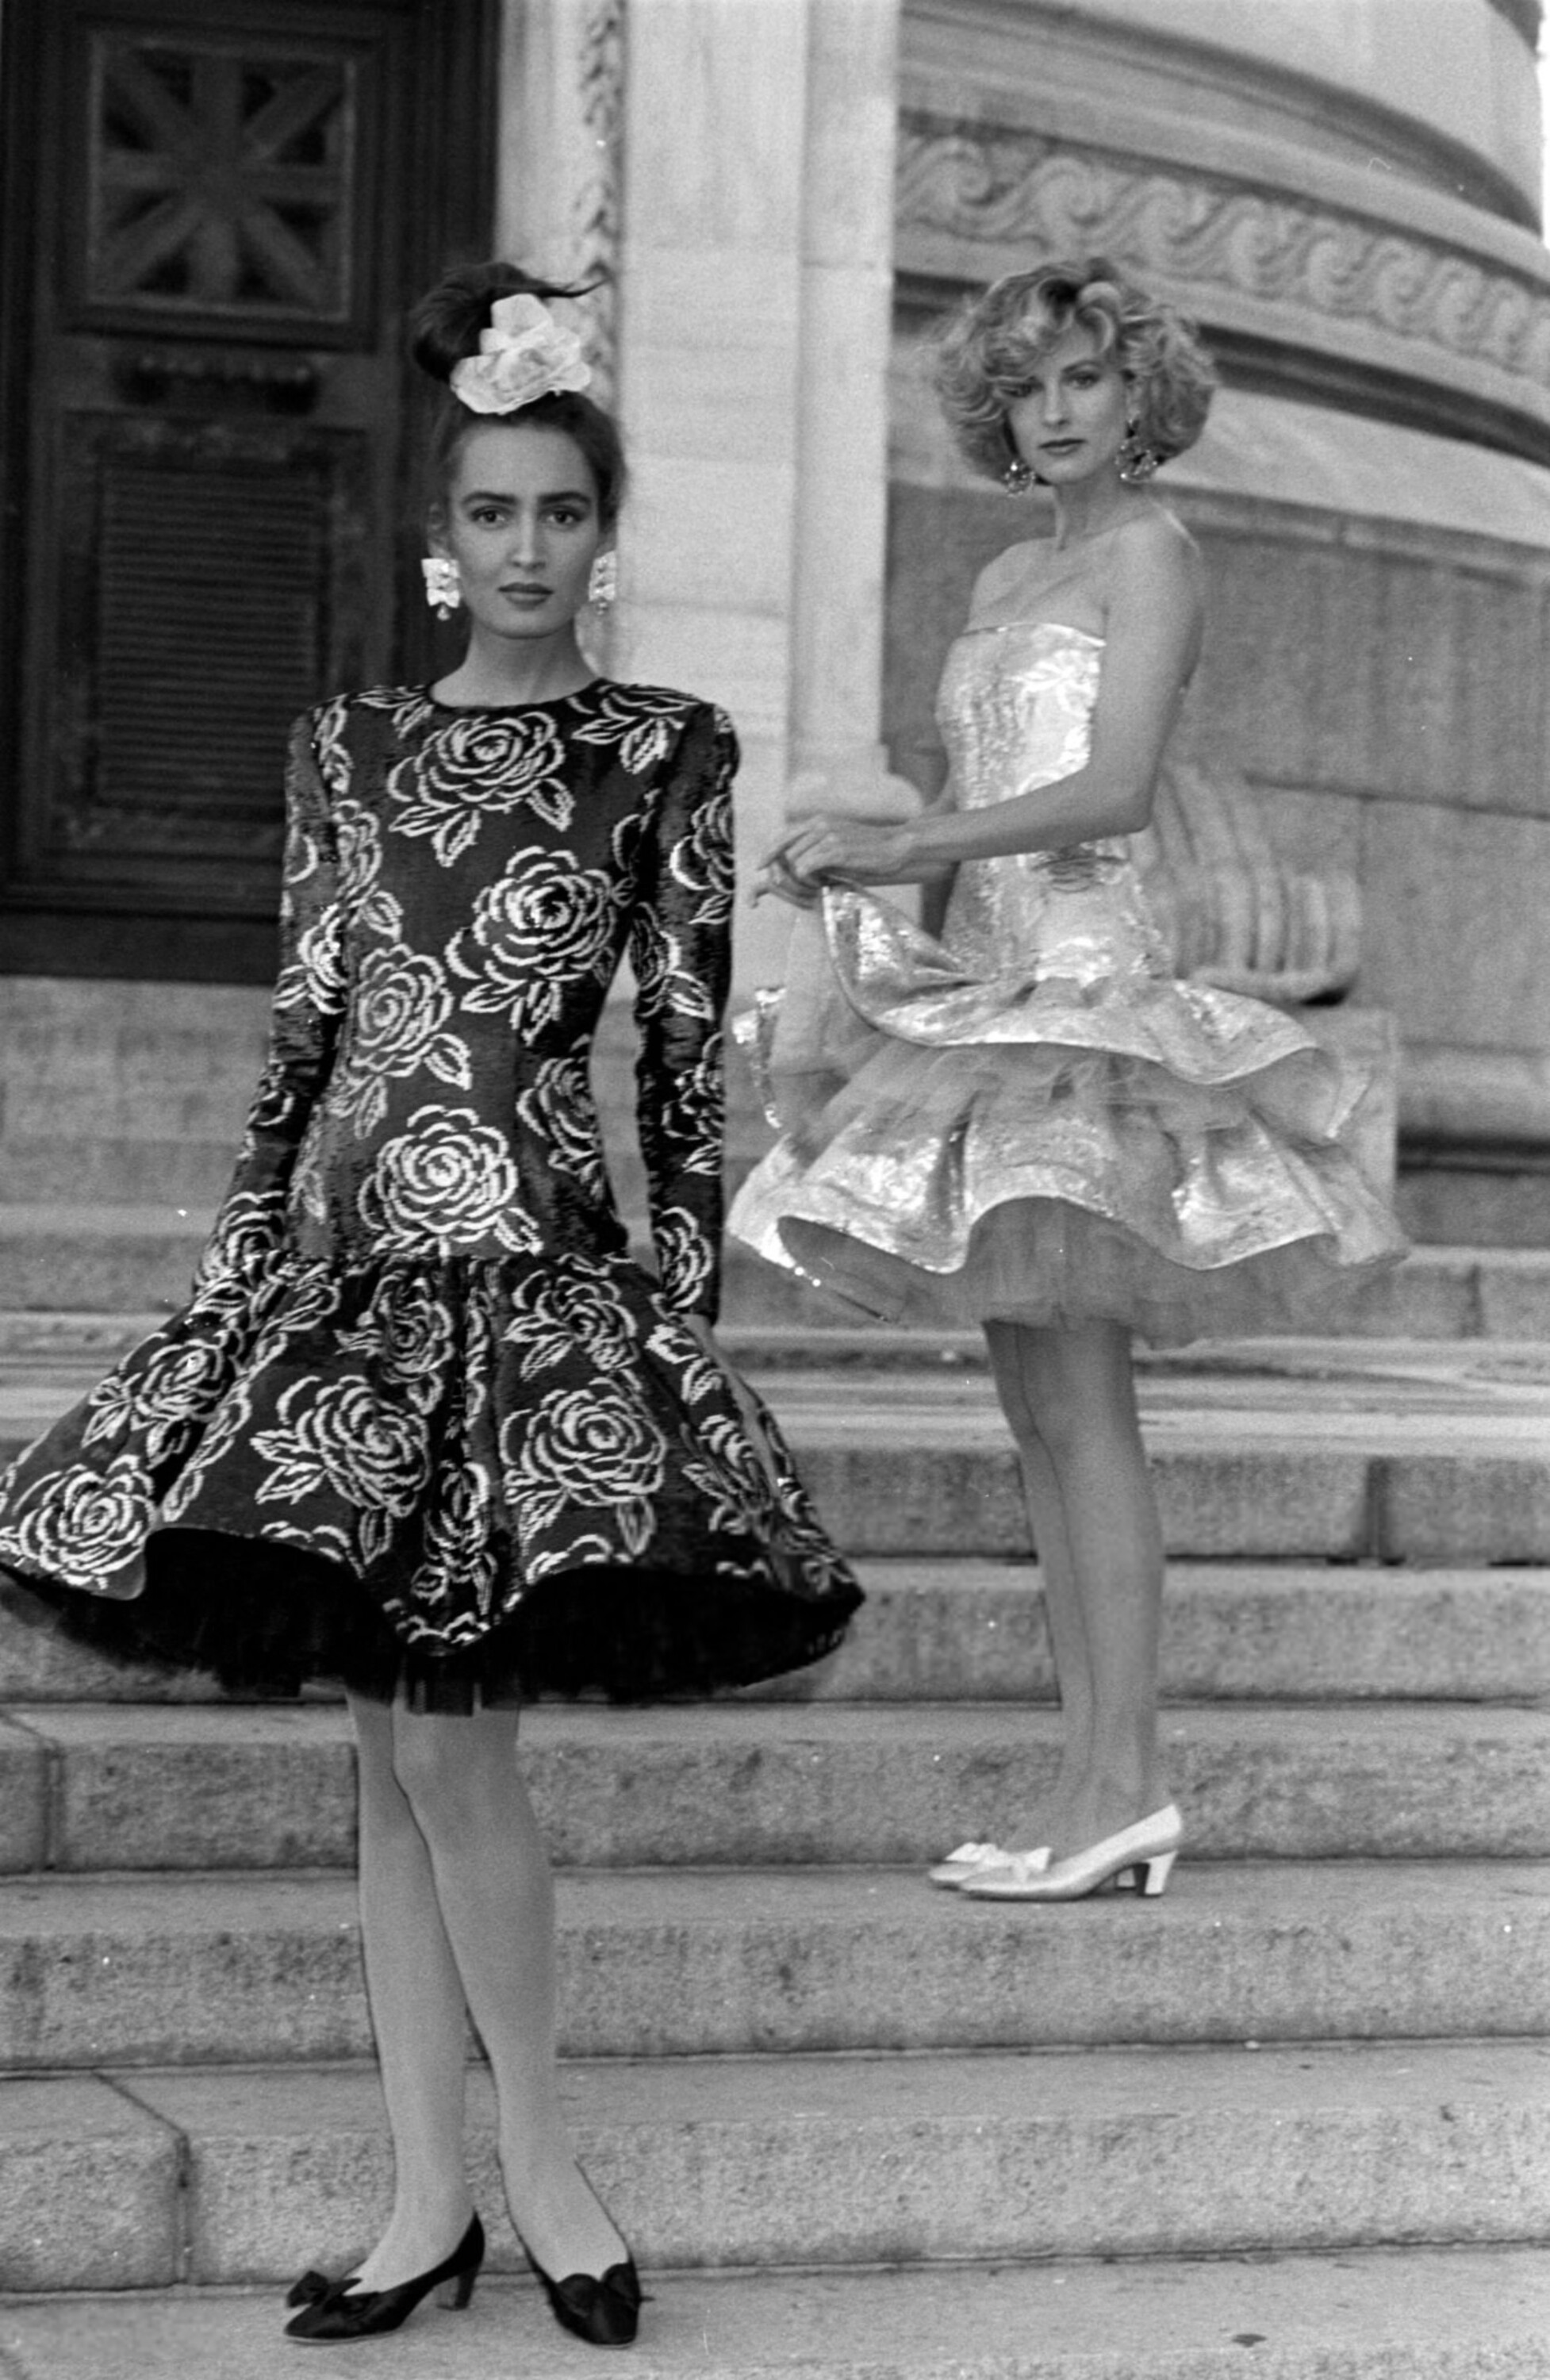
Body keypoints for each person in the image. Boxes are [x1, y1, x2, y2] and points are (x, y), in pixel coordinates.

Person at [0, 261, 861, 2347]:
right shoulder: (350, 747)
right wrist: (235, 1268)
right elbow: (304, 1039)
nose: (526, 549)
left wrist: (680, 1304)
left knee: (452, 1751)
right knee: (389, 1760)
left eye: (561, 511)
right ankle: (423, 2201)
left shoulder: (662, 750)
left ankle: (540, 2169)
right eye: (492, 511)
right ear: (438, 535)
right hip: (347, 1288)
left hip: (538, 1284)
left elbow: (680, 1058)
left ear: (603, 533)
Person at [730, 257, 1403, 1907]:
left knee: (1082, 1410)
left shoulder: (1151, 552)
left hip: (1092, 1000)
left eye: (1082, 379)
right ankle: (1088, 1786)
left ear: (1138, 393)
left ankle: (1124, 1785)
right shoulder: (999, 573)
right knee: (1036, 1413)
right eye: (1024, 386)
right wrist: (882, 919)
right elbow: (976, 799)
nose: (1050, 412)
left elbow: (1109, 794)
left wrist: (901, 846)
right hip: (994, 996)